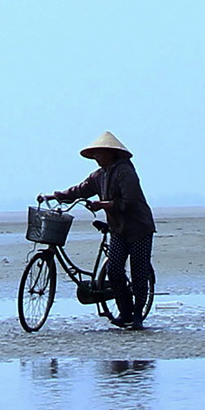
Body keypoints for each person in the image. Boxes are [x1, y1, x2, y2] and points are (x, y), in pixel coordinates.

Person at [47, 131, 155, 329]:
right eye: (95, 154)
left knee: (139, 272)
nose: (96, 157)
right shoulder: (99, 176)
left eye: (99, 153)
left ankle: (138, 314)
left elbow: (129, 201)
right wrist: (57, 196)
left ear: (110, 153)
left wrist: (103, 205)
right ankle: (125, 312)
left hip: (138, 228)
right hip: (118, 229)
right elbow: (80, 190)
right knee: (114, 271)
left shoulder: (125, 172)